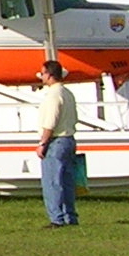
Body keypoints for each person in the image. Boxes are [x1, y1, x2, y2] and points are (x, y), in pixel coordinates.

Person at [36, 60, 79, 227]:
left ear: (50, 75)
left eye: (43, 73)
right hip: (69, 139)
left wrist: (42, 143)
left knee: (52, 182)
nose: (42, 76)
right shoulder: (67, 93)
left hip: (56, 141)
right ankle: (70, 216)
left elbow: (50, 122)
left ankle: (56, 219)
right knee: (67, 181)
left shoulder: (53, 96)